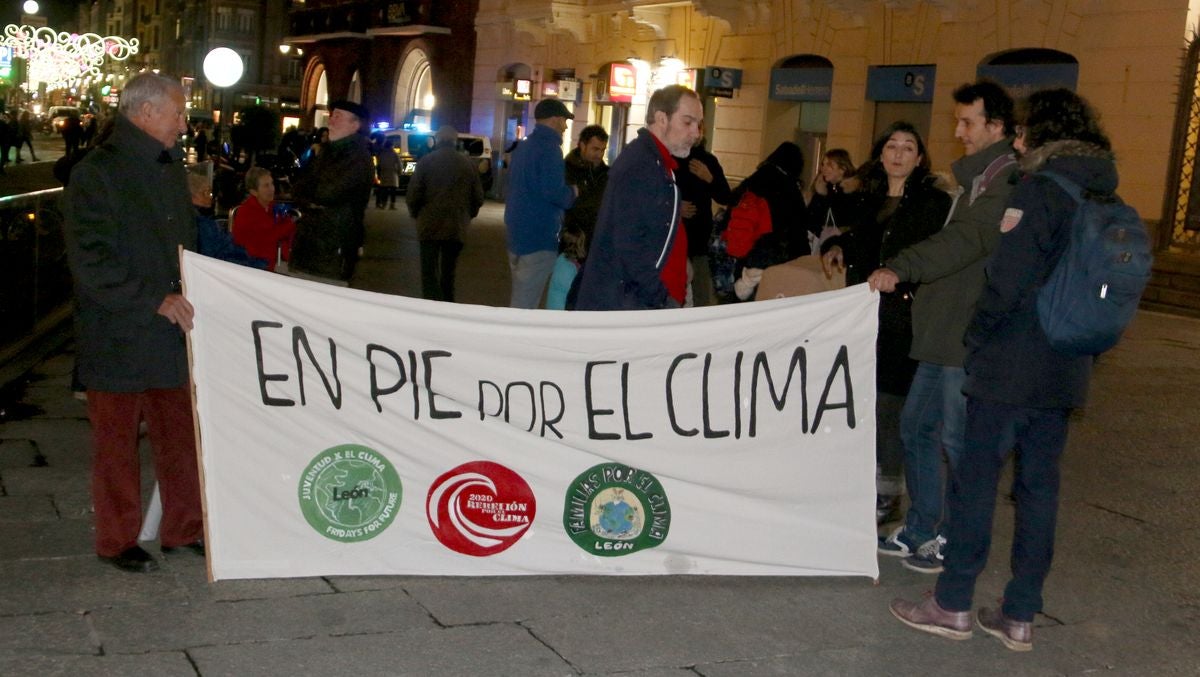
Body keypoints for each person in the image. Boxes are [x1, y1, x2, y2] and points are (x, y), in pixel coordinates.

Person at [889, 88, 1114, 653]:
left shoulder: (1037, 190)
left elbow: (1005, 281)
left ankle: (953, 602)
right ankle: (1018, 615)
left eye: (1022, 130)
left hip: (1011, 364)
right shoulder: (1099, 191)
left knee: (975, 484)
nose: (1017, 140)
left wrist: (978, 339)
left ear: (1040, 133)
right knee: (1038, 490)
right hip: (1066, 365)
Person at [866, 81, 1018, 570]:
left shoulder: (1005, 183)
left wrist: (903, 265)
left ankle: (953, 537)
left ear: (996, 127)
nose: (959, 131)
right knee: (915, 429)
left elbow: (966, 242)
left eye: (968, 122)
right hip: (940, 332)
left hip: (964, 334)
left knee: (957, 440)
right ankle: (919, 529)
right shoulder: (974, 181)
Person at [61, 72, 204, 573]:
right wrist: (153, 298)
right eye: (177, 113)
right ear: (145, 114)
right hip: (117, 334)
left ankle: (183, 530)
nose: (184, 124)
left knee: (180, 438)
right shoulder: (95, 172)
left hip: (168, 334)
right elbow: (91, 259)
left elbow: (184, 245)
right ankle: (116, 539)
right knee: (116, 445)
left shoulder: (168, 168)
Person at [821, 122, 952, 538]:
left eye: (908, 147)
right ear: (881, 154)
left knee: (890, 405)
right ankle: (861, 483)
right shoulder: (867, 199)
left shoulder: (931, 202)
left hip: (904, 317)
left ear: (919, 157)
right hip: (863, 314)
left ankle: (889, 493)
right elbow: (856, 239)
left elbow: (932, 255)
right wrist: (836, 246)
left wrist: (901, 275)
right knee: (862, 400)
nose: (898, 153)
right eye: (892, 146)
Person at [574, 85, 702, 310]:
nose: (696, 133)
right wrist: (659, 297)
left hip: (633, 299)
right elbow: (629, 243)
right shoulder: (642, 165)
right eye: (688, 122)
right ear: (662, 119)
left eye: (698, 124)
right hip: (628, 302)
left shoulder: (654, 163)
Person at [289, 101, 374, 283]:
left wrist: (311, 194)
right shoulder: (327, 152)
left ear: (355, 125)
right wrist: (309, 195)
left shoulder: (357, 157)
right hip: (311, 242)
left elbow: (328, 193)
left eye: (338, 117)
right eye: (332, 115)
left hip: (335, 245)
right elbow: (298, 186)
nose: (331, 121)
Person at [504, 98, 577, 308]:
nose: (565, 126)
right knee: (524, 305)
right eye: (564, 120)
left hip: (517, 236)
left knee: (521, 296)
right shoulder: (550, 149)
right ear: (554, 119)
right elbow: (555, 192)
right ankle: (516, 339)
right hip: (538, 238)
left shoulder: (524, 147)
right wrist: (572, 192)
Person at [721, 141, 810, 302]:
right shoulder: (789, 187)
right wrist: (803, 260)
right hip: (776, 259)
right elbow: (798, 228)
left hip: (746, 254)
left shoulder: (754, 179)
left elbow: (730, 209)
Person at [406, 125, 485, 302]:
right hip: (456, 225)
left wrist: (416, 213)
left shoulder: (426, 161)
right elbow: (478, 197)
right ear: (455, 141)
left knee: (428, 271)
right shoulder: (468, 164)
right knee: (448, 272)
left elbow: (414, 193)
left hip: (429, 224)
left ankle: (431, 303)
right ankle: (447, 304)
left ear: (437, 141)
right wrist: (467, 215)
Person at [676, 132, 732, 306]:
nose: (695, 131)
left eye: (699, 126)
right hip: (675, 239)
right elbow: (655, 194)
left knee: (701, 294)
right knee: (674, 293)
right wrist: (676, 206)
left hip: (700, 240)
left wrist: (709, 178)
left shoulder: (708, 161)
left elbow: (725, 197)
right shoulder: (670, 157)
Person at [231, 166, 297, 272]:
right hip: (252, 266)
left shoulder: (271, 207)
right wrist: (292, 223)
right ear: (254, 192)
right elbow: (271, 235)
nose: (272, 189)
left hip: (272, 262)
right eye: (266, 186)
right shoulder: (247, 212)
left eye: (272, 184)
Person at [562, 124, 609, 255]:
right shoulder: (567, 170)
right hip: (572, 245)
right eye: (595, 149)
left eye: (603, 150)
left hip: (596, 245)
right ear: (582, 145)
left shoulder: (605, 174)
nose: (599, 155)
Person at [805, 149, 861, 248]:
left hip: (841, 244)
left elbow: (844, 218)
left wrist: (824, 196)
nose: (823, 169)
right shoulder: (824, 186)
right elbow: (811, 217)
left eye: (829, 165)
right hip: (819, 240)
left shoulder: (853, 191)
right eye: (823, 164)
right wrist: (820, 195)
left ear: (842, 169)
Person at [546, 226, 586, 310]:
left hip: (553, 307)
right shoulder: (568, 268)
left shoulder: (561, 259)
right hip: (560, 312)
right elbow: (574, 293)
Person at [375, 137, 400, 209]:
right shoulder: (394, 153)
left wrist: (379, 173)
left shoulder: (381, 153)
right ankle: (392, 205)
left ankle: (383, 204)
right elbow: (399, 164)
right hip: (393, 174)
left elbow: (378, 164)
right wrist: (399, 172)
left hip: (384, 173)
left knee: (384, 190)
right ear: (392, 145)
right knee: (393, 190)